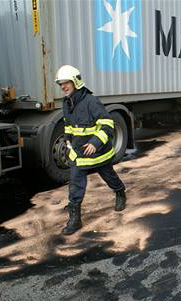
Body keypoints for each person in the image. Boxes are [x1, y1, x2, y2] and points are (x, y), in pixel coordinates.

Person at [55, 65, 126, 235]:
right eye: (60, 84)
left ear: (76, 82)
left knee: (109, 177)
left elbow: (107, 123)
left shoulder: (91, 101)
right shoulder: (67, 103)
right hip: (79, 155)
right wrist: (67, 139)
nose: (63, 86)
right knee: (75, 184)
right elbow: (69, 125)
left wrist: (95, 142)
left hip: (98, 153)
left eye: (66, 83)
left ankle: (120, 192)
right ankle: (75, 217)